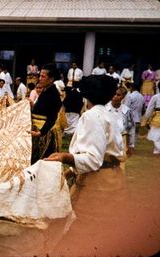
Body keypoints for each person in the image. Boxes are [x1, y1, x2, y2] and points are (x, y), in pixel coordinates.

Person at [44, 75, 125, 255]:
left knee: (82, 229)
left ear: (85, 96)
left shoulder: (92, 116)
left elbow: (94, 159)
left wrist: (66, 157)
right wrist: (71, 172)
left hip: (98, 183)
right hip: (109, 177)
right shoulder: (106, 114)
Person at [29, 63, 62, 164]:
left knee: (41, 162)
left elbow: (52, 116)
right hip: (38, 130)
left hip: (45, 133)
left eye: (43, 76)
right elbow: (42, 109)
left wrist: (41, 132)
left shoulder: (53, 93)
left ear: (51, 79)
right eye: (40, 76)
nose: (40, 79)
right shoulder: (45, 90)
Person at [105, 86, 135, 156]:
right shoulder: (105, 108)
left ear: (123, 97)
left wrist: (131, 145)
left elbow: (131, 129)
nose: (115, 96)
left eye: (118, 95)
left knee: (120, 165)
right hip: (106, 143)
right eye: (114, 94)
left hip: (121, 143)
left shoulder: (127, 111)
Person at [144, 83, 160, 155]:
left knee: (155, 133)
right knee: (156, 133)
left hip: (157, 117)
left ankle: (157, 149)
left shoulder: (155, 97)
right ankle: (157, 149)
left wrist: (147, 117)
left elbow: (150, 108)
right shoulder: (155, 97)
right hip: (157, 116)